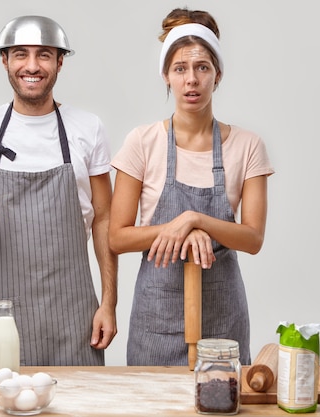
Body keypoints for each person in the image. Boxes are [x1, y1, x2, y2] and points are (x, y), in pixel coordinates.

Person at [0, 15, 117, 366]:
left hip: (74, 317)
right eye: (21, 54)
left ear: (60, 62)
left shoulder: (87, 128)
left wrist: (108, 303)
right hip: (2, 316)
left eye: (44, 55)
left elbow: (104, 219)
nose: (32, 66)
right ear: (5, 60)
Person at [109, 7, 274, 366]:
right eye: (180, 69)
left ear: (218, 75)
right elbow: (117, 237)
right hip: (156, 322)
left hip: (223, 321)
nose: (191, 80)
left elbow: (253, 238)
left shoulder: (247, 146)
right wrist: (179, 228)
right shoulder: (142, 142)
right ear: (166, 76)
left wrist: (195, 220)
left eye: (202, 68)